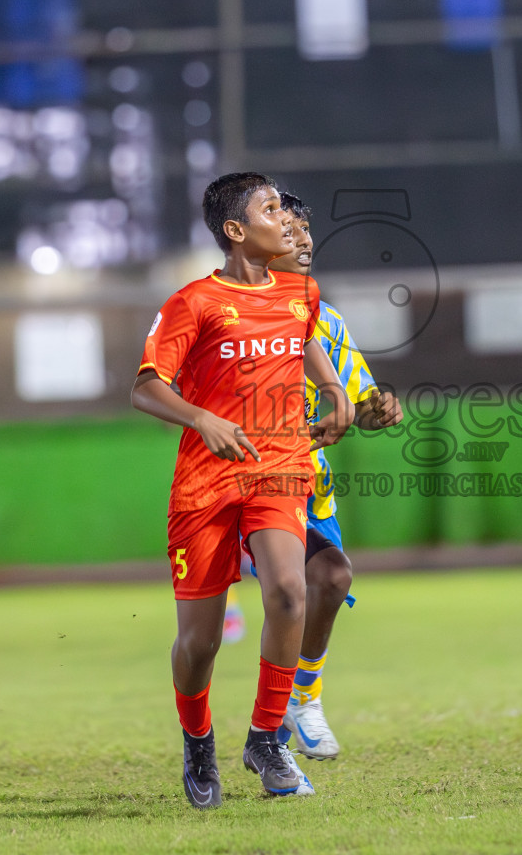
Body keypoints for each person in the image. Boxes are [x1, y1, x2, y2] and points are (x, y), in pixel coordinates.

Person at [132, 172, 353, 808]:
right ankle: (198, 740)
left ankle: (265, 739)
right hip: (205, 479)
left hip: (280, 465)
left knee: (291, 588)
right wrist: (203, 418)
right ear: (236, 231)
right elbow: (145, 387)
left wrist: (335, 391)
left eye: (285, 207)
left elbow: (305, 340)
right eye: (272, 208)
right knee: (199, 643)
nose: (286, 219)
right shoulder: (193, 302)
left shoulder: (301, 292)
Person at [268, 191, 403, 760]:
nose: (302, 239)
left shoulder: (327, 320)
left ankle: (299, 700)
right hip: (242, 486)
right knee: (291, 593)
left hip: (308, 491)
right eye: (287, 228)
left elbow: (360, 405)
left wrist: (378, 410)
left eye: (306, 229)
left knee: (326, 581)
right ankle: (263, 721)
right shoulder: (227, 312)